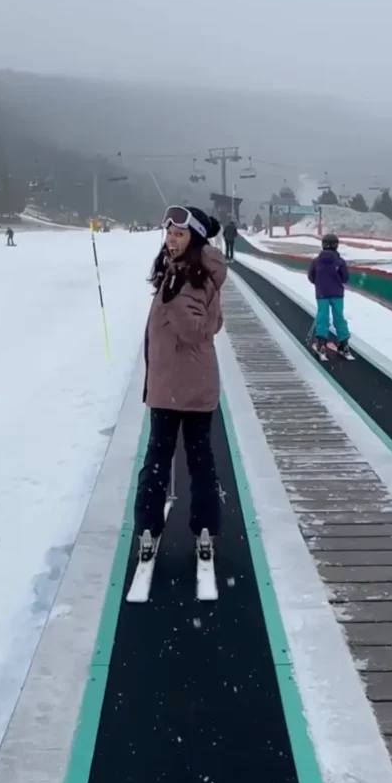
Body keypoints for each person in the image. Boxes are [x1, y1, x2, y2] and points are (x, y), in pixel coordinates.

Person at [134, 205, 226, 561]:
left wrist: (172, 298)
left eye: (180, 234)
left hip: (181, 388)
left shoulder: (193, 278)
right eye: (169, 233)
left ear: (196, 238)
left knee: (166, 459)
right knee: (190, 458)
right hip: (175, 383)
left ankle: (161, 525)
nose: (171, 241)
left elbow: (197, 331)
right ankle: (160, 526)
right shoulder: (180, 271)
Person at [308, 233, 351, 357]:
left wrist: (320, 282)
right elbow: (345, 278)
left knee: (322, 316)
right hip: (337, 293)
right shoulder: (340, 262)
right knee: (338, 316)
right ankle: (344, 343)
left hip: (322, 293)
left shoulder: (316, 262)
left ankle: (321, 343)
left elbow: (311, 277)